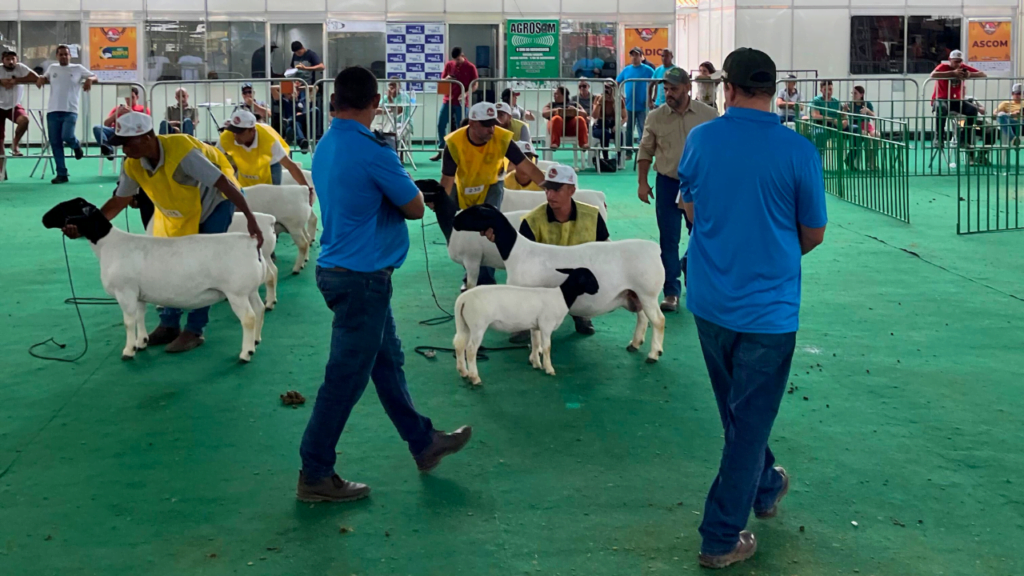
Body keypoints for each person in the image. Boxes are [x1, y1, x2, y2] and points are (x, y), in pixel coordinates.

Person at [676, 47, 827, 569]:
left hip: (711, 302)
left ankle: (764, 485)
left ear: (728, 89)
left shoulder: (702, 138)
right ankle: (720, 535)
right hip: (769, 310)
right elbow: (813, 233)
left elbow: (689, 204)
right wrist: (775, 253)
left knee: (738, 417)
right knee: (747, 424)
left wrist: (720, 242)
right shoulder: (798, 151)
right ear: (772, 90)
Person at [297, 66, 472, 502]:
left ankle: (424, 442)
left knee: (387, 362)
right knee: (344, 379)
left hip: (343, 269)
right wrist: (412, 193)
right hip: (362, 279)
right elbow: (414, 207)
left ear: (334, 101)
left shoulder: (325, 145)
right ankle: (315, 472)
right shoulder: (375, 151)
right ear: (376, 105)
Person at [72, 112, 264, 353]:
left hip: (217, 203)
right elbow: (119, 201)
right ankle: (169, 324)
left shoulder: (183, 153)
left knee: (205, 265)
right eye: (121, 144)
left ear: (148, 137)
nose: (125, 149)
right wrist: (87, 226)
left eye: (129, 143)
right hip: (179, 209)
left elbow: (223, 183)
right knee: (172, 267)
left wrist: (250, 217)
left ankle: (195, 330)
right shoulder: (133, 164)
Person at [435, 102, 546, 287]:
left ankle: (485, 280)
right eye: (486, 125)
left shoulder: (502, 138)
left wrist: (549, 187)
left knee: (488, 228)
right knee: (457, 231)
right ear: (472, 123)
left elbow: (526, 165)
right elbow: (446, 180)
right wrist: (441, 205)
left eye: (493, 124)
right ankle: (469, 270)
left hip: (491, 185)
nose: (491, 129)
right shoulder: (454, 143)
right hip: (461, 186)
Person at [637, 68, 718, 312]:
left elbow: (719, 151)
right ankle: (671, 291)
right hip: (668, 183)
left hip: (700, 185)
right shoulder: (655, 116)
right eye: (666, 89)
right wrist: (642, 182)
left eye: (674, 88)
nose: (669, 93)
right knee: (668, 239)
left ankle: (695, 276)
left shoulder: (710, 115)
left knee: (702, 236)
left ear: (687, 88)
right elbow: (645, 151)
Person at [516, 164, 609, 338]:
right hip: (544, 279)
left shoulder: (592, 215)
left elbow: (606, 248)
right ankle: (526, 320)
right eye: (547, 190)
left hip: (581, 278)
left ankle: (581, 313)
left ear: (572, 190)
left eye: (556, 190)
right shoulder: (531, 221)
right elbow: (522, 262)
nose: (550, 195)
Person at [36, 45, 96, 184]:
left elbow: (94, 76)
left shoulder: (78, 68)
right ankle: (61, 173)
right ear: (57, 56)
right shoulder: (52, 68)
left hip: (70, 109)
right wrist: (40, 78)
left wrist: (90, 80)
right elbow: (44, 77)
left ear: (70, 55)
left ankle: (76, 145)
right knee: (55, 143)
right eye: (61, 54)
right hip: (53, 110)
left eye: (66, 54)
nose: (63, 57)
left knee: (67, 136)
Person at [219, 109, 311, 190]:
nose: (236, 136)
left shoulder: (269, 139)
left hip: (271, 164)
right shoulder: (227, 137)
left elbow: (290, 166)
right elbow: (213, 160)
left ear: (252, 131)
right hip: (246, 169)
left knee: (272, 197)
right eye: (234, 130)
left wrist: (307, 189)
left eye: (240, 132)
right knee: (245, 196)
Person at [930, 49, 986, 147]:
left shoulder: (963, 68)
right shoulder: (943, 66)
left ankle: (964, 138)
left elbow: (983, 74)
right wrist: (953, 73)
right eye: (956, 61)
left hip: (956, 100)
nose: (958, 64)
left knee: (972, 110)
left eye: (960, 61)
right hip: (941, 99)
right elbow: (933, 75)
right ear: (950, 60)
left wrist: (969, 74)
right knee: (941, 108)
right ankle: (939, 138)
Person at [432, 47, 478, 161]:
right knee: (440, 124)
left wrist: (466, 93)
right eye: (455, 60)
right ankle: (442, 149)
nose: (456, 62)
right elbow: (442, 80)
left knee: (461, 127)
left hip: (462, 102)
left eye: (458, 59)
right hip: (448, 100)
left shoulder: (471, 67)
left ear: (462, 55)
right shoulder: (449, 65)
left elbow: (475, 84)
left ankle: (461, 151)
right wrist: (446, 78)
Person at [0, 50, 37, 168]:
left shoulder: (21, 68)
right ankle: (2, 171)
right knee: (0, 140)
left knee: (24, 120)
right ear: (2, 61)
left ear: (17, 59)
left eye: (13, 59)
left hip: (14, 105)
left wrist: (17, 80)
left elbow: (36, 78)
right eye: (7, 59)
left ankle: (15, 144)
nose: (11, 62)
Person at [616, 47, 655, 158]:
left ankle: (643, 152)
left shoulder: (648, 70)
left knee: (643, 128)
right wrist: (620, 96)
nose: (634, 57)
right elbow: (617, 82)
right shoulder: (626, 70)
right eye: (632, 55)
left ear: (641, 56)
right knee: (629, 129)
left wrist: (651, 97)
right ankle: (628, 152)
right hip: (629, 105)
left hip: (642, 105)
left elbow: (656, 81)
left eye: (636, 55)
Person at [94, 86, 150, 159]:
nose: (128, 100)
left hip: (134, 133)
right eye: (127, 98)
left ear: (137, 97)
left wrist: (132, 113)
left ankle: (112, 150)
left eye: (132, 97)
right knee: (97, 128)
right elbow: (106, 124)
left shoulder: (143, 109)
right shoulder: (118, 109)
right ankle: (107, 148)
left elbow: (146, 124)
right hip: (117, 132)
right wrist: (117, 113)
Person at [543, 86, 588, 150]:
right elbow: (544, 113)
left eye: (556, 94)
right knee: (556, 118)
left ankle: (583, 143)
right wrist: (554, 111)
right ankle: (555, 143)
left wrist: (576, 110)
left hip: (571, 128)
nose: (554, 96)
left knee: (580, 119)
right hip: (556, 129)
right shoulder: (551, 104)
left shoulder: (574, 104)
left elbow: (584, 114)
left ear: (563, 95)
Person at [591, 82, 626, 161]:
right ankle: (605, 157)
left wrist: (618, 125)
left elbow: (625, 117)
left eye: (609, 87)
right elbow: (594, 116)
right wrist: (599, 103)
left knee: (618, 134)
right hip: (600, 125)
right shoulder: (598, 98)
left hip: (612, 124)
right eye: (605, 87)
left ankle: (619, 158)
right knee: (604, 133)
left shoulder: (619, 100)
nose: (606, 90)